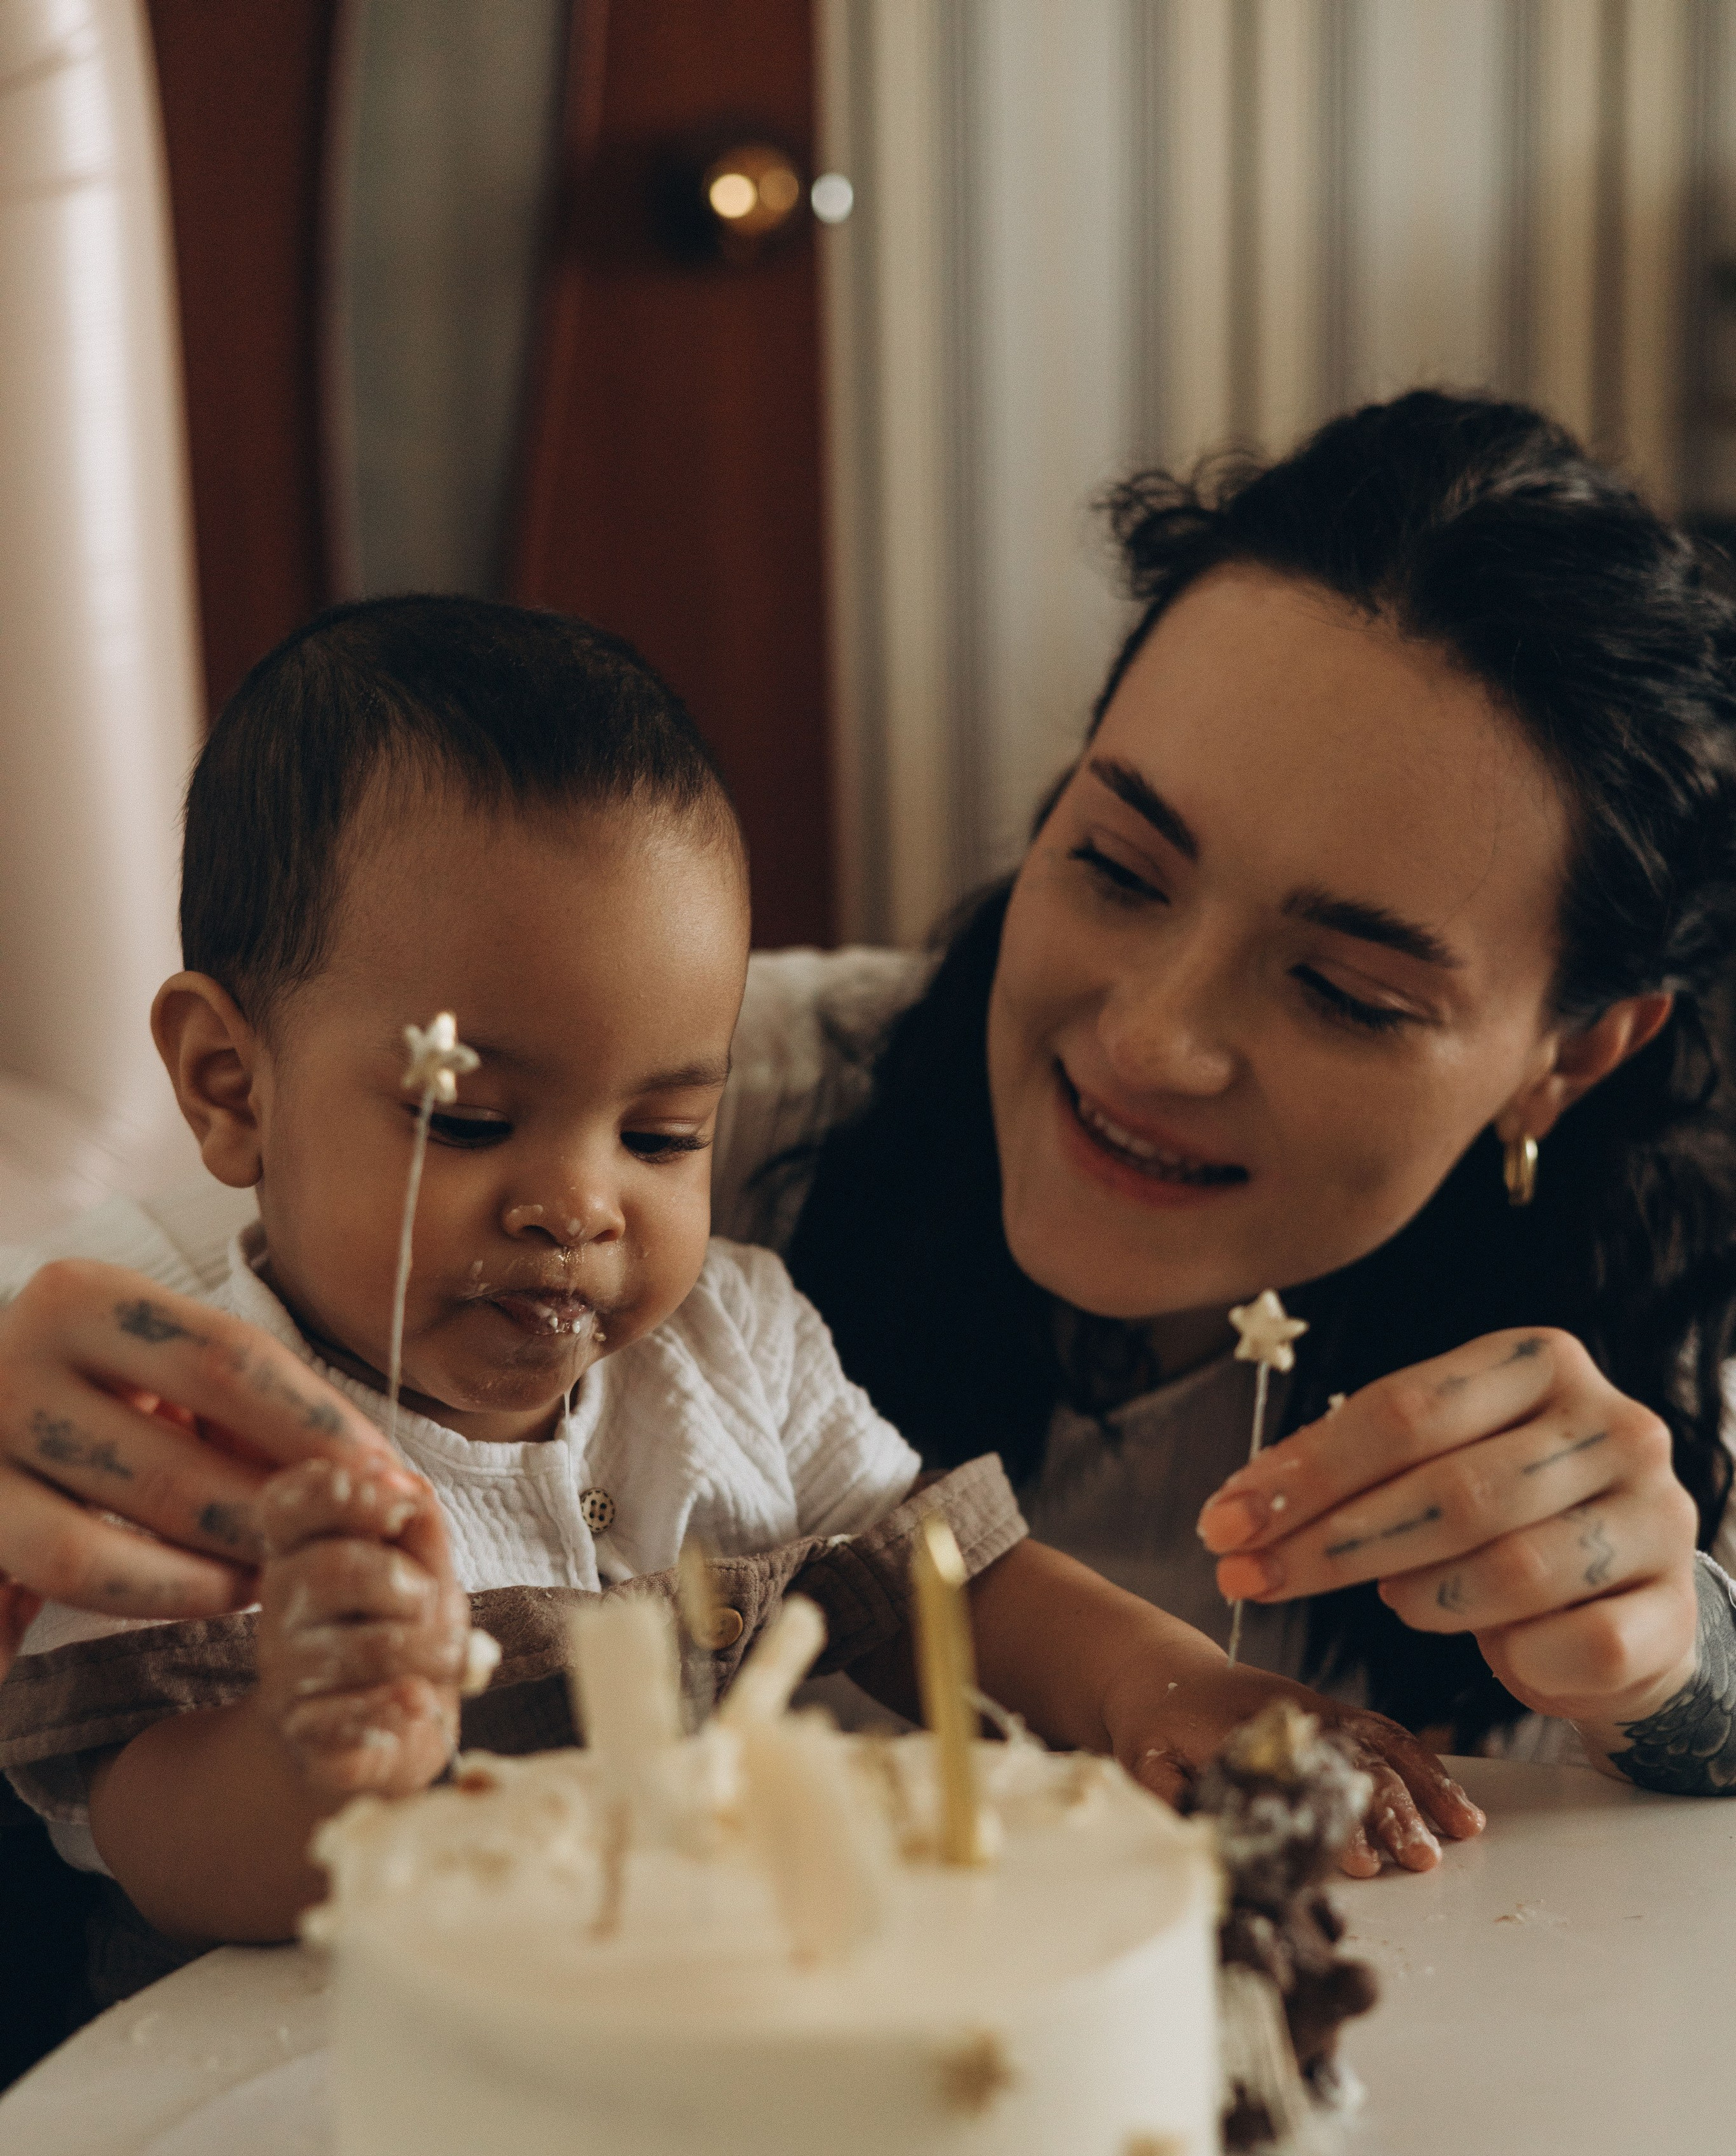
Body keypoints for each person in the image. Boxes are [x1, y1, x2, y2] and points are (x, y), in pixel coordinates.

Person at [28, 383, 1729, 1864]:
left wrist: (1665, 1664)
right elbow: (139, 1264)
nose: (1149, 1038)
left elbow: (949, 1575)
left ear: (1566, 1061)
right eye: (1117, 867)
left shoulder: (715, 1304)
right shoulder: (726, 1095)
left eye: (1346, 990)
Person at [0, 596, 1405, 1967]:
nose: (578, 1205)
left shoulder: (735, 1349)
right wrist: (312, 1754)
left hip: (685, 2061)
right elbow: (158, 1849)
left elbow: (955, 1585)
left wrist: (1166, 1686)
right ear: (228, 1085)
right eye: (471, 1119)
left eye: (663, 1136)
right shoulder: (183, 1446)